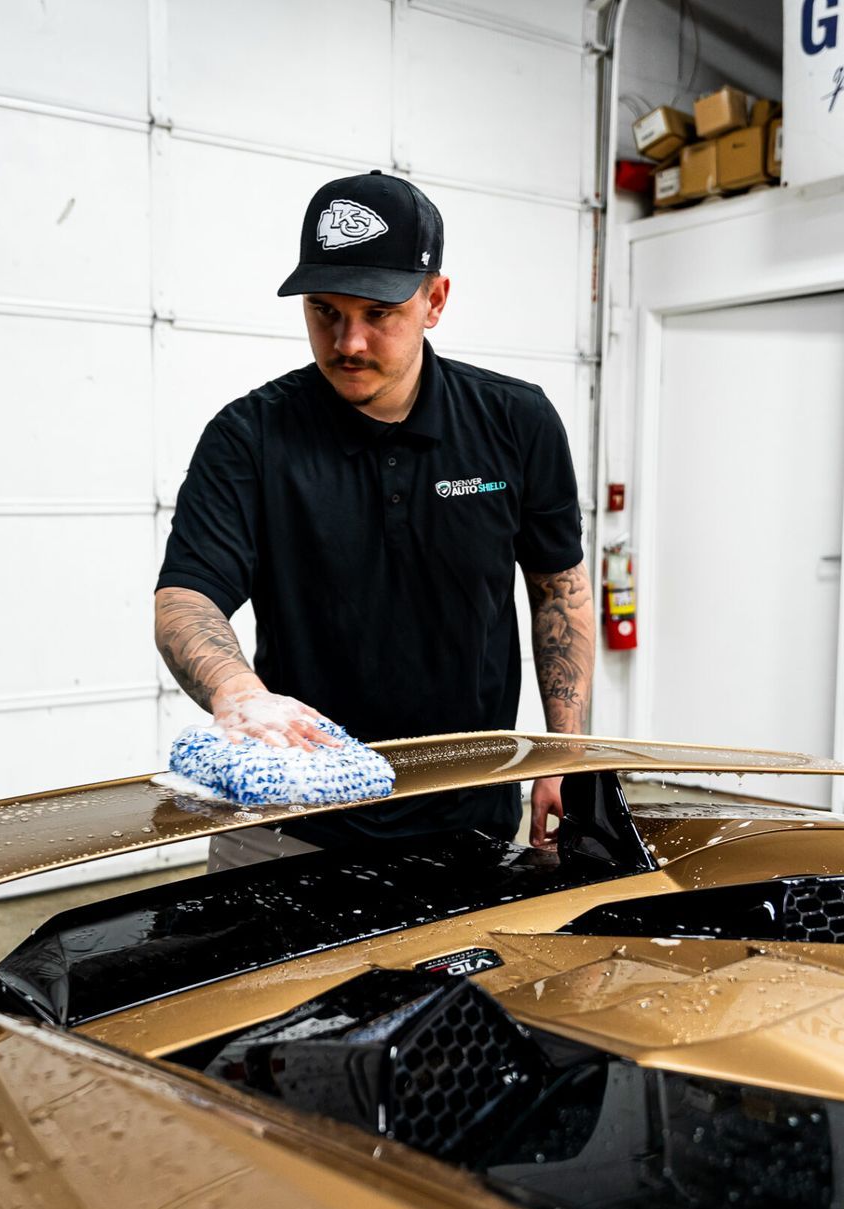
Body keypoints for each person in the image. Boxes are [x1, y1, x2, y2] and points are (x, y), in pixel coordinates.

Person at [154, 170, 594, 869]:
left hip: (468, 819)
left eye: (378, 313)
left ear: (435, 300)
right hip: (287, 822)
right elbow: (186, 597)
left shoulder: (516, 422)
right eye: (325, 311)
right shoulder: (249, 437)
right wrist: (238, 692)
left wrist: (565, 755)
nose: (348, 342)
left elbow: (559, 590)